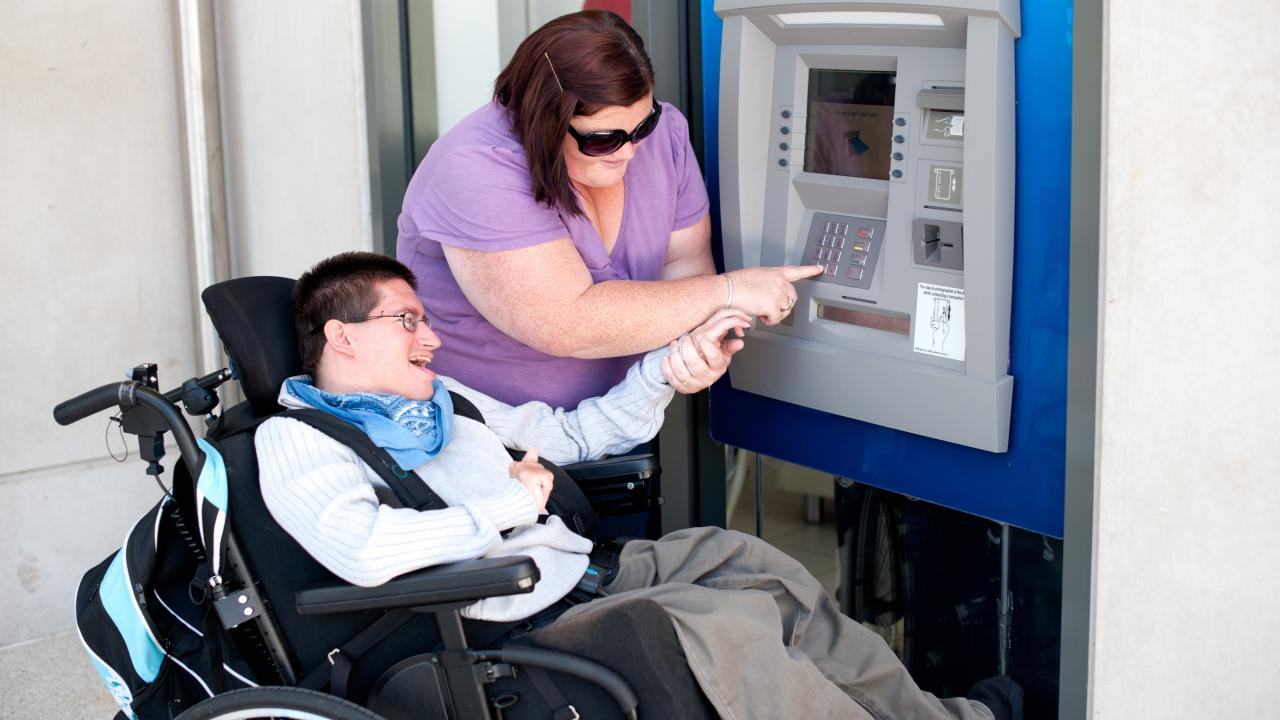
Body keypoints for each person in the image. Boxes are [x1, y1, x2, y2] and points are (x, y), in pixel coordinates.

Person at [255, 252, 1014, 720]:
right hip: (506, 615)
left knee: (756, 566)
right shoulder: (298, 440)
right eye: (409, 321)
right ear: (343, 337)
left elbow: (576, 436)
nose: (433, 337)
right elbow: (363, 549)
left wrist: (673, 363)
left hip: (581, 571)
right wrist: (513, 505)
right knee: (734, 628)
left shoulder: (446, 399)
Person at [397, 9, 823, 409]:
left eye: (642, 126)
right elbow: (566, 323)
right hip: (488, 439)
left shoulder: (664, 136)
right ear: (542, 121)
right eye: (602, 140)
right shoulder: (475, 167)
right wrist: (731, 291)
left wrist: (694, 350)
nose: (630, 152)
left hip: (620, 420)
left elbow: (686, 268)